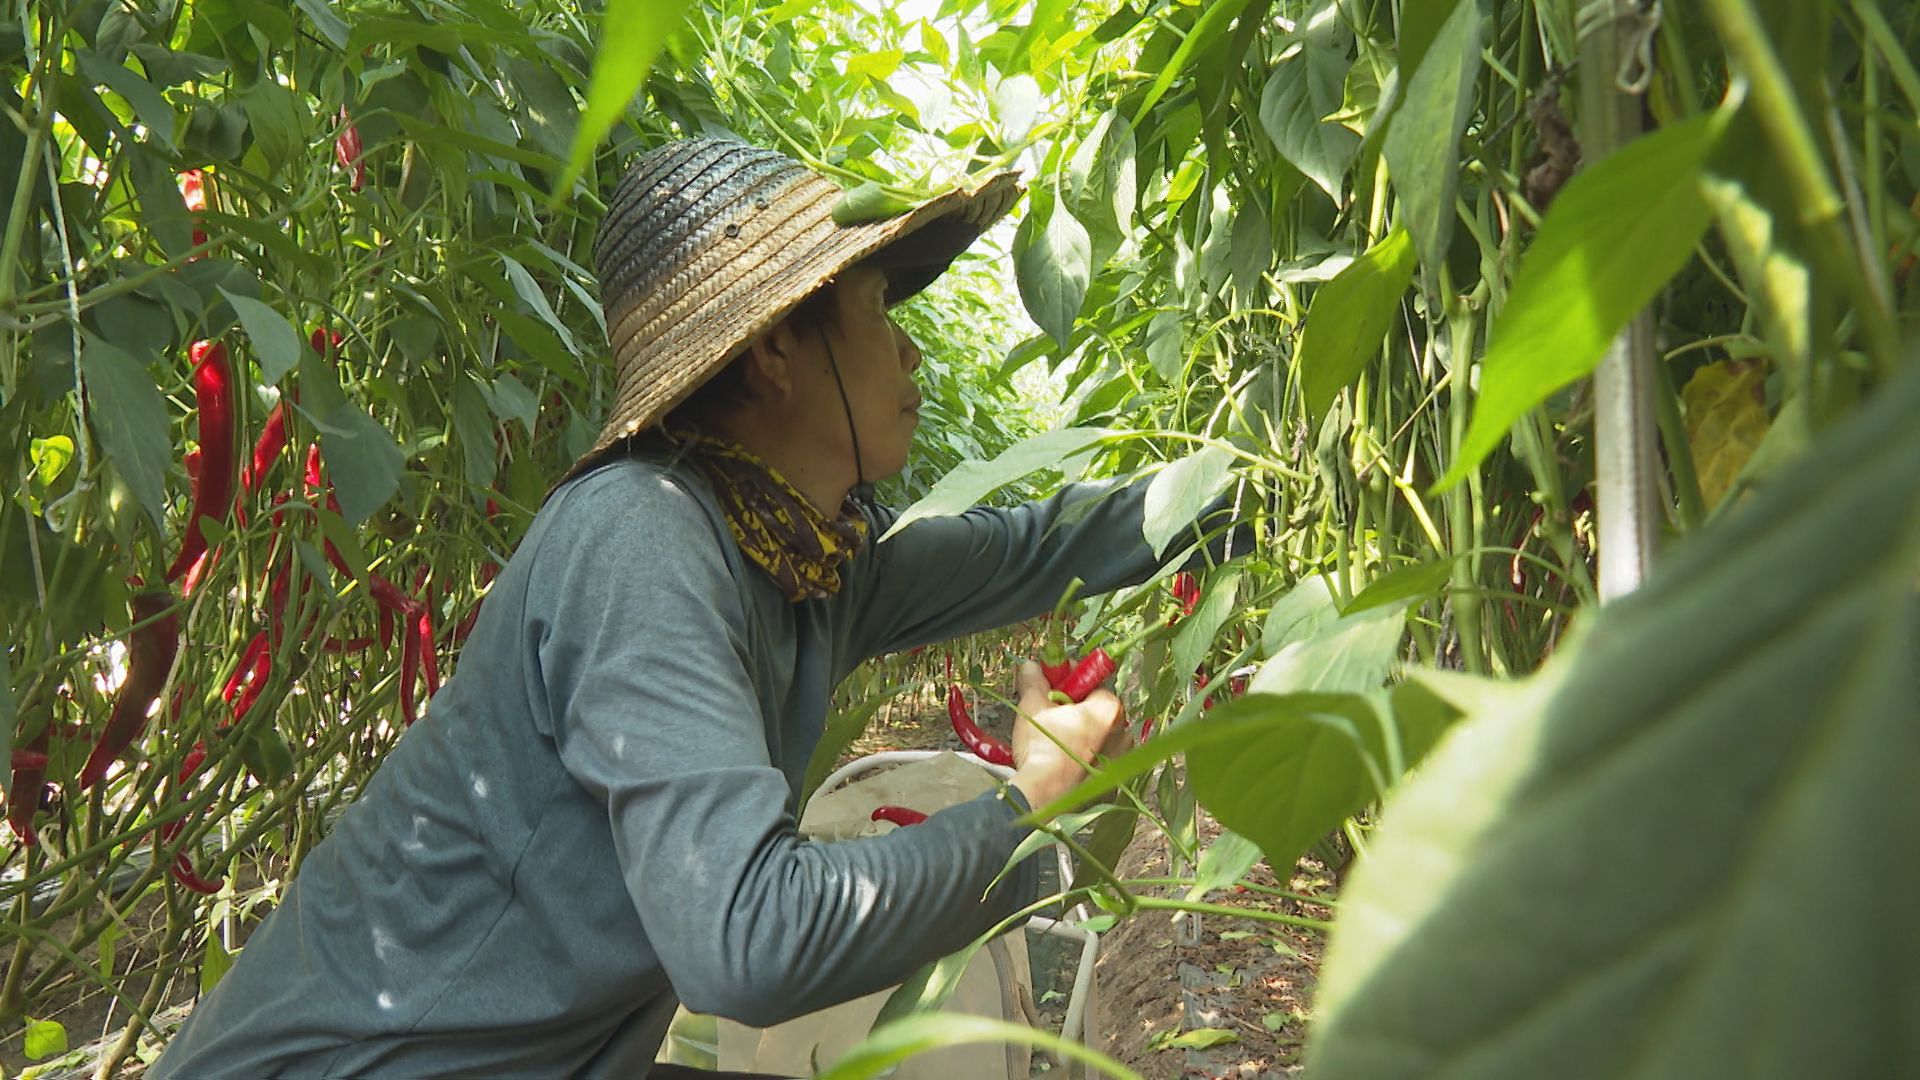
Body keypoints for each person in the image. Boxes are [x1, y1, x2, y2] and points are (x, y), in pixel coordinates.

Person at [152, 137, 1222, 1077]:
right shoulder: (643, 538)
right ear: (774, 351)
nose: (912, 351)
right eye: (876, 309)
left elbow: (1044, 544)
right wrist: (1026, 804)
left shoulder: (808, 562)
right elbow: (748, 939)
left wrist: (1252, 487)